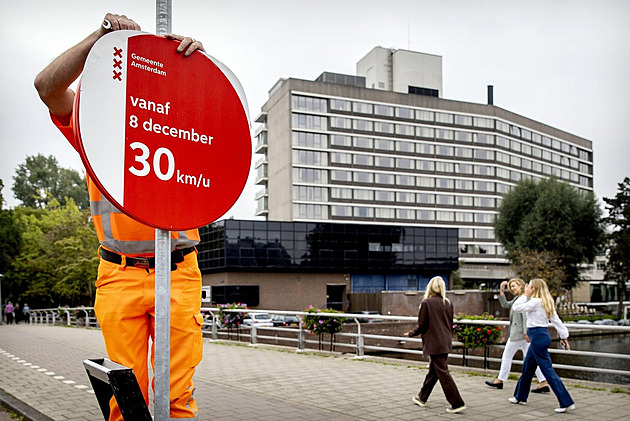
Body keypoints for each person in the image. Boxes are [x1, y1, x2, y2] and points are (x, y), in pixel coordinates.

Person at [34, 13, 205, 421]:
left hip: (178, 270)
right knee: (127, 402)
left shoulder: (182, 124)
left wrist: (197, 69)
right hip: (118, 273)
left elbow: (219, 128)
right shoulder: (96, 126)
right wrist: (101, 37)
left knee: (177, 400)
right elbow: (46, 86)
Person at [509, 278, 576, 413]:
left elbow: (516, 307)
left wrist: (525, 295)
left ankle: (566, 402)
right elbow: (557, 322)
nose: (527, 288)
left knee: (547, 370)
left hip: (537, 337)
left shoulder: (535, 301)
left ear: (534, 289)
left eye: (530, 286)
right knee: (528, 368)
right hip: (541, 336)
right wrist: (564, 337)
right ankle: (520, 396)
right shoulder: (546, 302)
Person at [404, 276, 466, 414]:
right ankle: (422, 397)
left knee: (443, 373)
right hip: (445, 341)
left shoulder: (427, 303)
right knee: (434, 371)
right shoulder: (448, 303)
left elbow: (422, 325)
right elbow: (449, 324)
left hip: (434, 343)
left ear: (430, 287)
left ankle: (457, 403)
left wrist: (411, 334)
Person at [485, 278, 549, 392]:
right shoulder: (518, 298)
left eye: (514, 286)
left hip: (519, 333)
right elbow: (505, 305)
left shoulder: (524, 299)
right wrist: (501, 292)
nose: (512, 289)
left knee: (507, 356)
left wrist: (525, 332)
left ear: (521, 285)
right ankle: (543, 382)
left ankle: (500, 380)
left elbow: (525, 316)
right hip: (522, 333)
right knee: (531, 358)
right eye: (511, 288)